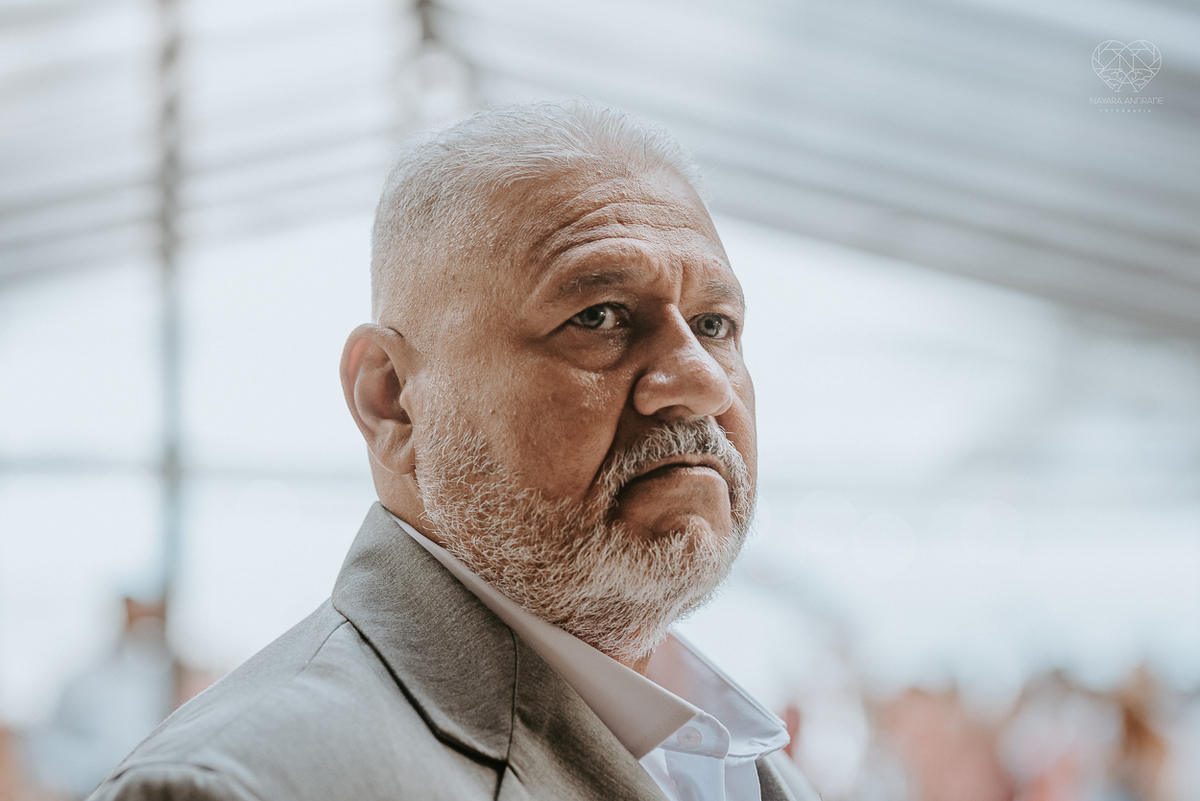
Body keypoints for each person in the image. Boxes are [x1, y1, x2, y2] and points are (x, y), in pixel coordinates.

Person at [87, 102, 819, 801]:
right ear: (393, 400)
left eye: (715, 324)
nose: (699, 382)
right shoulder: (242, 785)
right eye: (598, 316)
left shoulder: (733, 758)